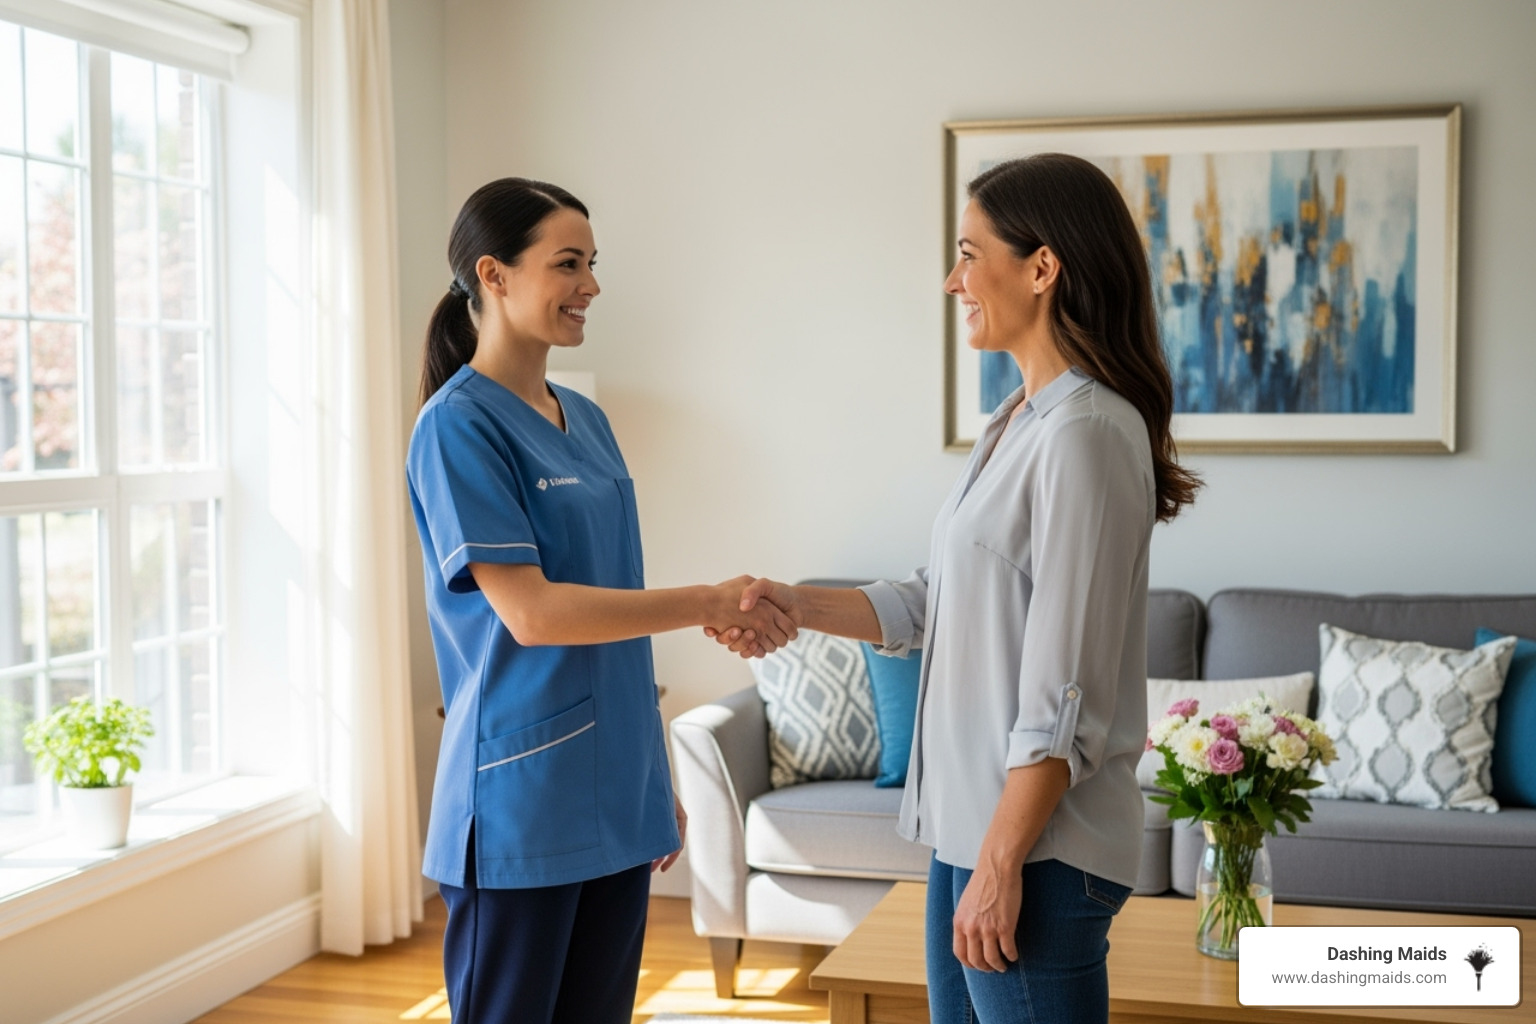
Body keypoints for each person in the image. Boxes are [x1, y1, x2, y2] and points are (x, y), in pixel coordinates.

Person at [714, 154, 1201, 1024]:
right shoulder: (1020, 420)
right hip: (970, 833)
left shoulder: (1086, 433)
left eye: (970, 253)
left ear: (1042, 268)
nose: (952, 280)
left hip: (1036, 851)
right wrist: (797, 603)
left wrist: (1003, 863)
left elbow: (1064, 696)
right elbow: (935, 600)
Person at [406, 177, 795, 1024]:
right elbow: (535, 616)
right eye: (568, 263)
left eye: (592, 264)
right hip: (521, 803)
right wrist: (706, 601)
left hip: (613, 793)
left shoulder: (585, 417)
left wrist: (646, 775)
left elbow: (612, 613)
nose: (591, 285)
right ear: (495, 275)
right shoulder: (457, 427)